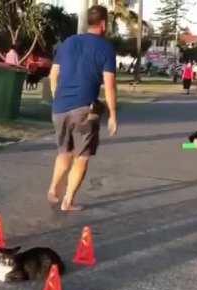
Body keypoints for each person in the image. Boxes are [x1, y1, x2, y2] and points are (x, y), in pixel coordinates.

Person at [47, 5, 117, 212]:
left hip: (59, 108)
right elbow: (110, 85)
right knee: (82, 156)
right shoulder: (105, 48)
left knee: (64, 152)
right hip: (84, 109)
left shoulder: (68, 42)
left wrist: (56, 97)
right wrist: (113, 114)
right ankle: (67, 201)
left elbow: (53, 75)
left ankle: (53, 188)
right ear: (103, 24)